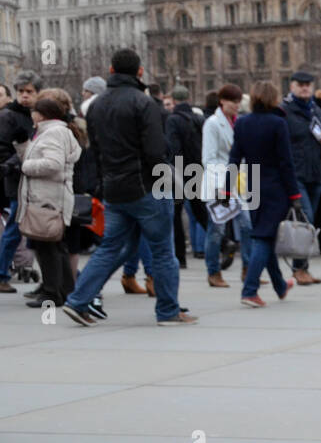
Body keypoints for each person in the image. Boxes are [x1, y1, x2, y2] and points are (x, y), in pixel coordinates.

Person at [61, 49, 195, 327]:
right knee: (162, 251)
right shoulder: (143, 103)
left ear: (110, 71)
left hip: (113, 188)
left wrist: (102, 184)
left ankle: (77, 300)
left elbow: (94, 150)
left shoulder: (95, 106)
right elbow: (156, 151)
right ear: (140, 73)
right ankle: (168, 311)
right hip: (145, 187)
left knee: (110, 248)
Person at [231, 80, 303, 308]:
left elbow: (234, 158)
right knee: (263, 237)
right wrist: (295, 194)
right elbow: (286, 163)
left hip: (252, 184)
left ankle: (280, 286)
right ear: (273, 98)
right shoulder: (278, 123)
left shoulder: (242, 123)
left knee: (267, 235)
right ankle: (250, 290)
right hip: (274, 187)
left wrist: (226, 185)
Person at [16, 95, 83, 307]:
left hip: (48, 199)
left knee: (48, 248)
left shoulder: (53, 133)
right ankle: (63, 290)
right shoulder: (55, 131)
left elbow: (53, 164)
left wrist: (26, 167)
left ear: (41, 114)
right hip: (51, 198)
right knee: (55, 246)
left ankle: (53, 293)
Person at [281, 70, 321, 286]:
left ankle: (303, 268)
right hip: (296, 173)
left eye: (308, 85)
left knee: (309, 223)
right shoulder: (285, 111)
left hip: (315, 172)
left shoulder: (315, 110)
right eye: (300, 84)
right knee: (305, 218)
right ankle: (298, 268)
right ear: (291, 87)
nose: (304, 88)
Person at [201, 84, 250, 288]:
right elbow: (209, 158)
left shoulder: (238, 122)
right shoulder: (213, 124)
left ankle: (248, 269)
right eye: (233, 102)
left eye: (238, 102)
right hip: (219, 183)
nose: (236, 106)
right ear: (222, 101)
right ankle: (213, 271)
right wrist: (224, 186)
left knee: (247, 225)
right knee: (217, 230)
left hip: (238, 182)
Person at [0, 70, 41, 293]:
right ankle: (1, 273)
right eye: (21, 92)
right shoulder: (8, 116)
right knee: (15, 230)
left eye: (30, 92)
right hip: (17, 179)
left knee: (37, 229)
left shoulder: (36, 115)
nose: (25, 96)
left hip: (33, 178)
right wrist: (17, 162)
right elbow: (3, 149)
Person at [166, 85, 206, 266]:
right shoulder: (199, 118)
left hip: (179, 171)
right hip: (197, 169)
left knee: (175, 214)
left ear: (173, 101)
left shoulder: (172, 120)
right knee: (200, 211)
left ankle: (180, 257)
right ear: (188, 99)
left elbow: (174, 148)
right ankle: (221, 242)